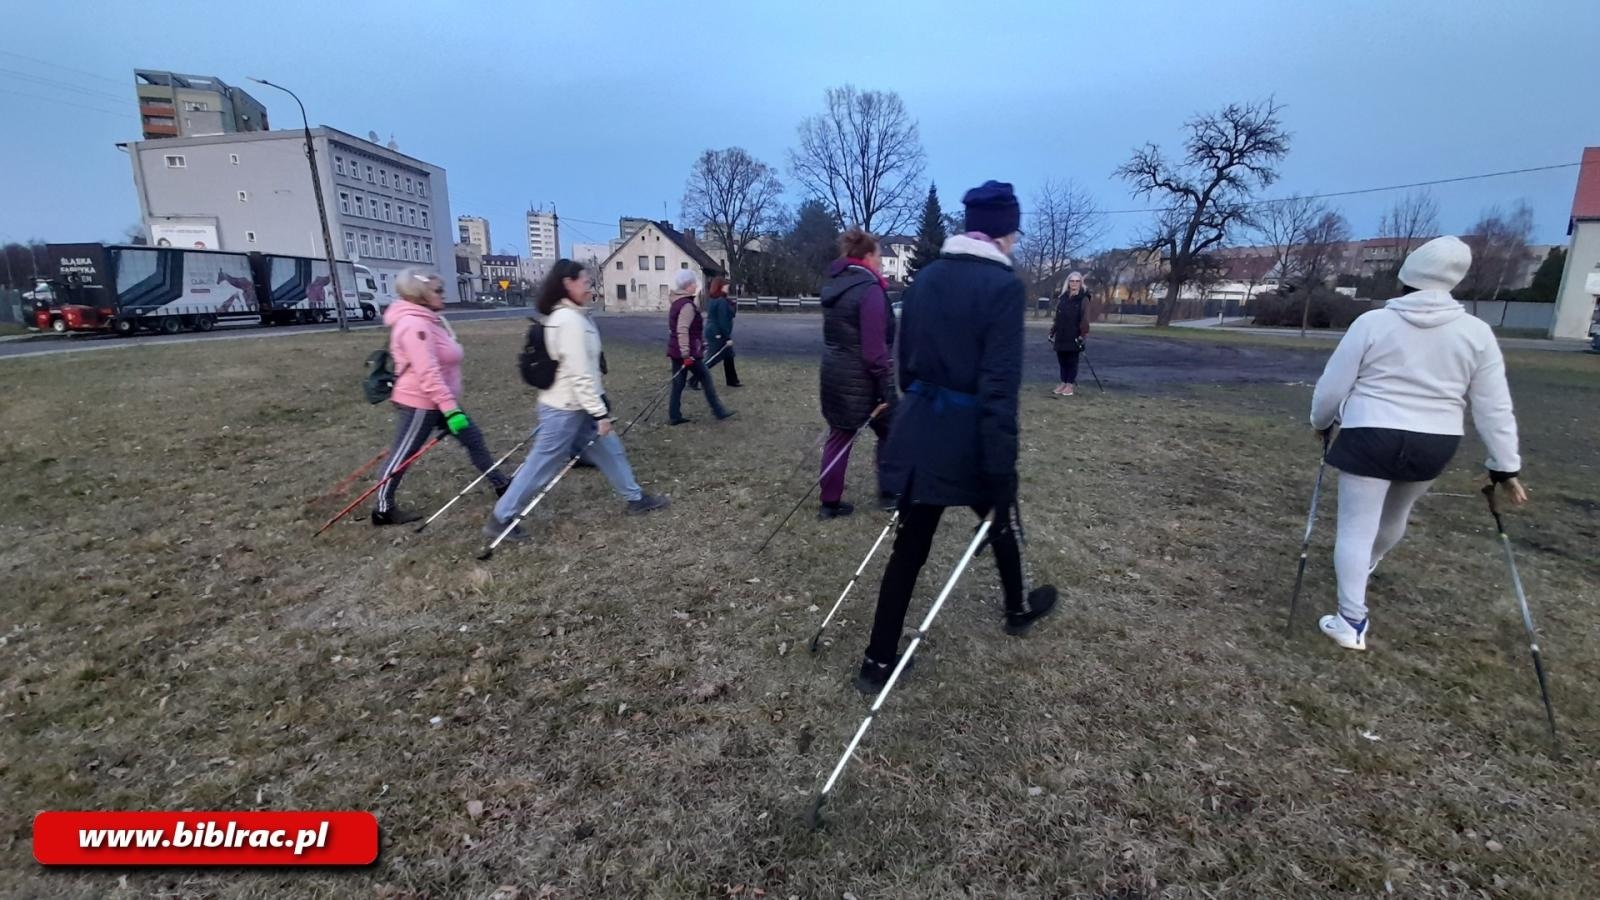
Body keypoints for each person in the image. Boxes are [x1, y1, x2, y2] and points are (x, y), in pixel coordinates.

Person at [858, 181, 1059, 693]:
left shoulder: (926, 278)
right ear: (1003, 233)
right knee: (999, 514)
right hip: (967, 437)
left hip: (921, 430)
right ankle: (1016, 609)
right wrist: (1002, 468)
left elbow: (906, 367)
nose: (1014, 242)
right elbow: (999, 389)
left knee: (910, 548)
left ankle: (878, 661)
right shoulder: (1004, 287)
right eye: (1014, 233)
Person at [1310, 235, 1526, 651]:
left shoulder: (1372, 323)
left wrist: (1321, 422)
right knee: (1395, 515)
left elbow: (1333, 384)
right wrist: (1505, 464)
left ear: (1407, 275)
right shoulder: (1476, 333)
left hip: (1370, 433)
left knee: (1356, 528)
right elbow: (1494, 405)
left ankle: (1351, 620)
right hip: (1435, 440)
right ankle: (1365, 568)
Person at [486, 260, 669, 540]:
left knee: (611, 451)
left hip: (580, 405)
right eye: (585, 282)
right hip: (565, 409)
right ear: (567, 284)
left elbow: (589, 369)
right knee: (541, 465)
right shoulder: (569, 321)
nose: (589, 288)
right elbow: (579, 373)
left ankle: (635, 498)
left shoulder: (577, 316)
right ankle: (501, 517)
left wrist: (596, 406)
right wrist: (599, 413)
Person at [371, 268, 510, 526]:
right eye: (438, 290)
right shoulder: (414, 325)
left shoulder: (429, 320)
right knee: (403, 455)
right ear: (420, 294)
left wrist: (449, 405)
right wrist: (451, 409)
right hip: (420, 402)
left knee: (474, 439)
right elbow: (428, 373)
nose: (443, 294)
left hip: (441, 400)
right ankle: (382, 509)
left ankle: (501, 484)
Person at [817, 227, 897, 519]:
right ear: (866, 257)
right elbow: (874, 349)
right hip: (863, 378)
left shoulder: (838, 285)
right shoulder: (869, 291)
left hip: (834, 373)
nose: (881, 262)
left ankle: (829, 502)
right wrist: (885, 386)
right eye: (878, 256)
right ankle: (890, 492)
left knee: (840, 435)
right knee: (892, 428)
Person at [666, 269, 735, 425]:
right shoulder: (686, 305)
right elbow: (682, 329)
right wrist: (686, 354)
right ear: (687, 285)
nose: (696, 286)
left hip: (678, 350)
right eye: (694, 283)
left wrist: (698, 344)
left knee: (678, 384)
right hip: (687, 353)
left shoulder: (677, 303)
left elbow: (676, 329)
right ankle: (718, 411)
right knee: (705, 378)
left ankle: (674, 415)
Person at [1049, 271, 1091, 396]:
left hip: (1074, 334)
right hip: (1061, 334)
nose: (1074, 283)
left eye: (1077, 281)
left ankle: (1069, 385)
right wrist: (1052, 331)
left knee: (1072, 361)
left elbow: (1085, 319)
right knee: (1062, 360)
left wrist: (1082, 335)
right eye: (1072, 281)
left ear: (1081, 283)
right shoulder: (1063, 298)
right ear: (1068, 283)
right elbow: (1058, 317)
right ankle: (1063, 382)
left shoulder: (1083, 299)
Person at [704, 276, 742, 388]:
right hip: (717, 333)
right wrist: (727, 337)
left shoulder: (715, 300)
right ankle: (694, 379)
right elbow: (723, 321)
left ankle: (732, 380)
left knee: (729, 355)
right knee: (713, 358)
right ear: (720, 287)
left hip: (714, 331)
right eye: (725, 285)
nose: (727, 287)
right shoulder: (721, 302)